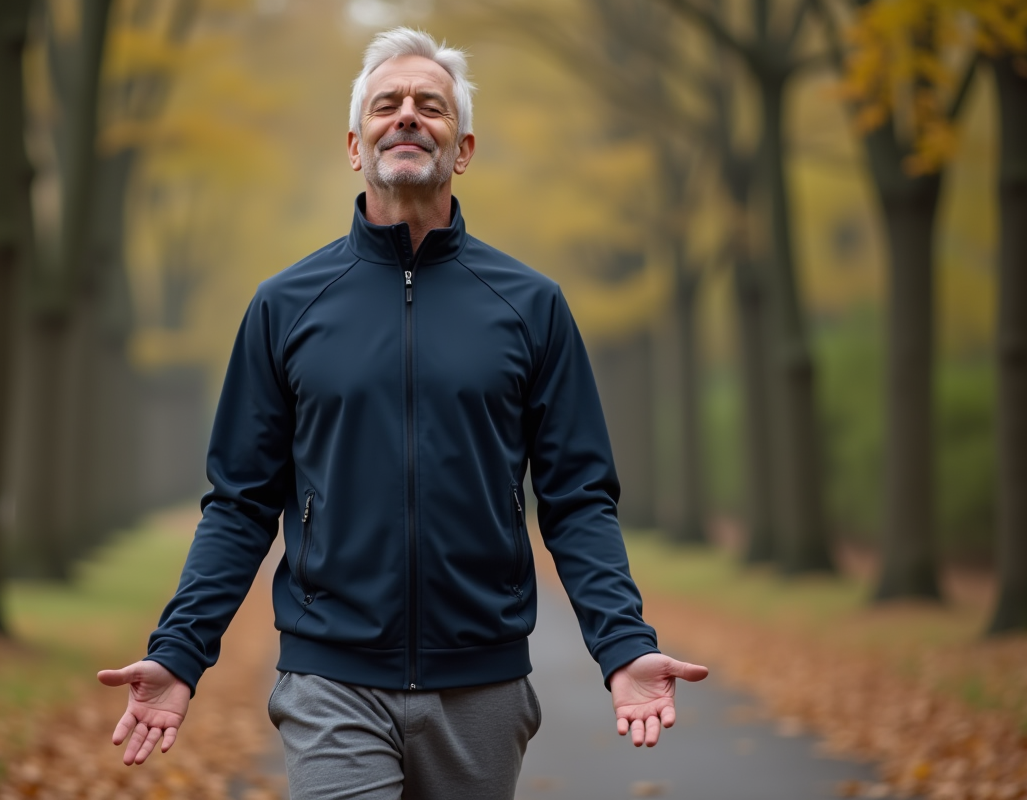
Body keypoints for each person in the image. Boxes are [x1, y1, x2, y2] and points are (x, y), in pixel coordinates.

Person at [98, 26, 709, 799]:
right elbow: (240, 503)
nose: (409, 115)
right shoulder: (285, 307)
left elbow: (578, 499)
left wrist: (622, 646)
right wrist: (180, 651)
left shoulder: (531, 307)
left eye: (432, 105)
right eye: (387, 104)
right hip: (330, 677)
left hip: (483, 686)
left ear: (464, 147)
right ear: (356, 146)